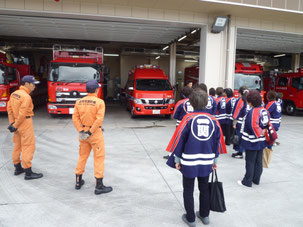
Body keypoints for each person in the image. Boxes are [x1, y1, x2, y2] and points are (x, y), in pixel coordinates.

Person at [166, 88, 226, 226]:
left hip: (189, 161)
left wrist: (176, 160)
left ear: (191, 103)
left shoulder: (187, 119)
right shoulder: (213, 120)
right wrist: (215, 160)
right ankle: (205, 216)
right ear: (207, 102)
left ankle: (191, 218)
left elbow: (179, 140)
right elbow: (217, 142)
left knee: (188, 189)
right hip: (207, 160)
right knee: (204, 188)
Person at [72, 80, 112, 195]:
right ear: (96, 90)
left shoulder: (79, 102)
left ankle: (78, 181)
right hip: (95, 134)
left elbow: (75, 118)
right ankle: (99, 186)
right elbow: (99, 119)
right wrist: (90, 132)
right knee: (99, 158)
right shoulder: (100, 102)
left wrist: (81, 131)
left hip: (83, 133)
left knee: (82, 156)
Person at [7, 75, 43, 180]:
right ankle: (28, 172)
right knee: (28, 146)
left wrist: (12, 124)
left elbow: (9, 109)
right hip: (24, 122)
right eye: (33, 85)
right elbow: (22, 114)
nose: (34, 87)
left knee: (17, 145)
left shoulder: (14, 94)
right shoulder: (26, 97)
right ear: (27, 84)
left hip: (16, 124)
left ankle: (17, 168)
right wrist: (16, 124)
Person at [238, 90, 270, 187]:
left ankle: (247, 181)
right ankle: (256, 179)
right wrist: (263, 133)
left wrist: (259, 133)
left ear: (251, 102)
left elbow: (253, 126)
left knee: (250, 161)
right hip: (262, 140)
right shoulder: (264, 110)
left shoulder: (254, 111)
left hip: (253, 140)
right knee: (258, 161)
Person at [231, 86, 249, 159]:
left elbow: (237, 111)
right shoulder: (249, 99)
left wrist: (234, 122)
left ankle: (240, 152)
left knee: (239, 137)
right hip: (248, 121)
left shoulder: (241, 100)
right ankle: (242, 151)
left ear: (240, 93)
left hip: (241, 121)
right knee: (245, 137)